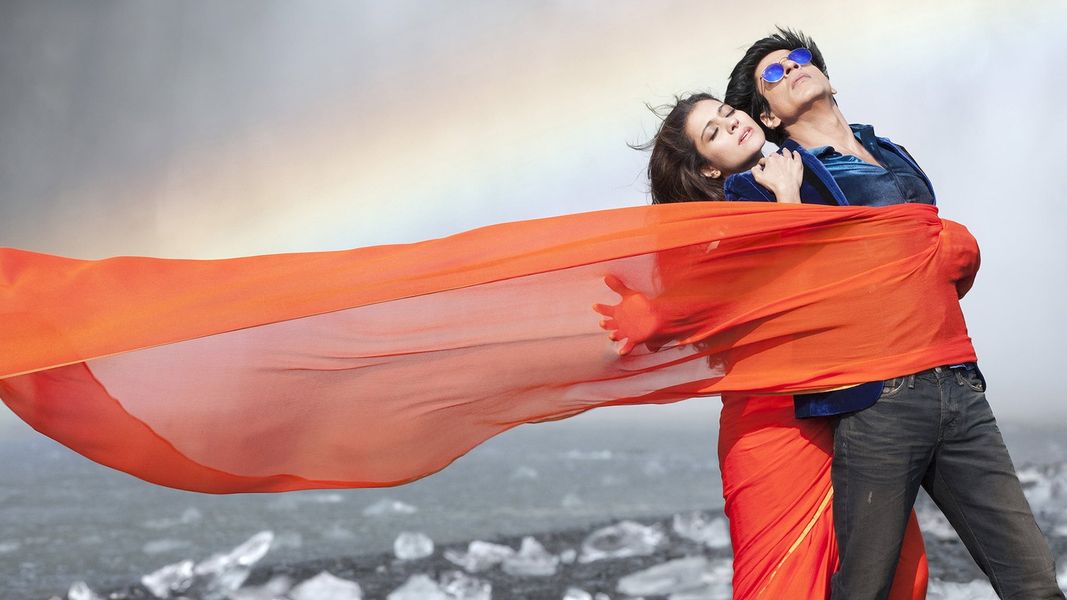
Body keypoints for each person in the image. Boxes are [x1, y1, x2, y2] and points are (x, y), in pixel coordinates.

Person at [716, 27, 1063, 599]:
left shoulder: (891, 151)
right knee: (865, 589)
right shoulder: (765, 183)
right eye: (773, 74)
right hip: (878, 400)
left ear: (827, 76)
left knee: (1034, 580)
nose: (792, 67)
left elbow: (919, 258)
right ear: (769, 116)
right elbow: (770, 287)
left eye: (798, 58)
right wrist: (789, 203)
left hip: (958, 386)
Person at [601, 92, 929, 598]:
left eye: (727, 112)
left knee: (903, 575)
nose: (732, 124)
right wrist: (654, 316)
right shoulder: (721, 225)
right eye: (713, 132)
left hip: (854, 408)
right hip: (773, 424)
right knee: (785, 585)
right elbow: (747, 298)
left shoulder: (812, 172)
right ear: (708, 169)